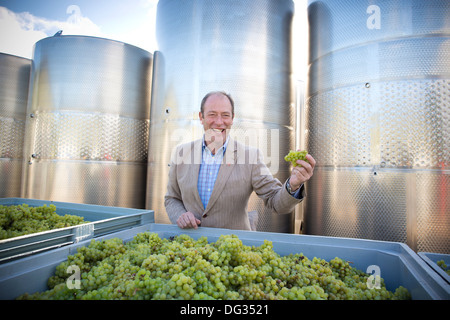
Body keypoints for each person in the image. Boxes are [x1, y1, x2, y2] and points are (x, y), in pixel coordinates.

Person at [164, 91, 316, 230]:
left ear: (232, 119)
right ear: (201, 117)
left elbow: (275, 202)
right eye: (212, 114)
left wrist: (294, 185)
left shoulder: (251, 157)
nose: (219, 121)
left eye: (225, 115)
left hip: (234, 249)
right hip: (191, 246)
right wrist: (180, 215)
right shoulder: (182, 152)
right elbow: (172, 198)